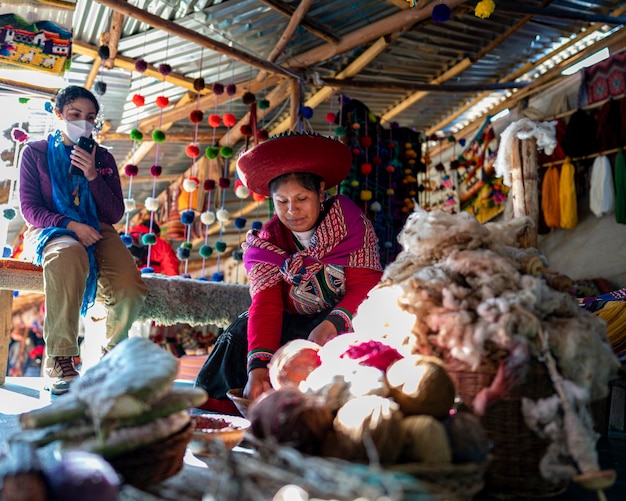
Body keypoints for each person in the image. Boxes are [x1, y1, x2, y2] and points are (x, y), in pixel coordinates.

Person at [195, 131, 383, 413]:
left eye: (301, 198)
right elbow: (267, 305)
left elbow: (365, 287)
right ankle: (228, 411)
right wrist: (258, 368)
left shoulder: (351, 226)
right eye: (281, 202)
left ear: (321, 192)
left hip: (343, 319)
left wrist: (332, 323)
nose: (292, 210)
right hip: (290, 323)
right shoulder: (266, 244)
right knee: (239, 331)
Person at [18, 85, 147, 394]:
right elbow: (30, 209)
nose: (83, 123)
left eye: (90, 118)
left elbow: (114, 212)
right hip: (51, 226)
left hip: (98, 227)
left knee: (129, 284)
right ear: (59, 113)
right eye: (75, 115)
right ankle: (59, 359)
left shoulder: (101, 158)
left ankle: (111, 356)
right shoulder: (35, 152)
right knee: (67, 254)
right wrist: (70, 225)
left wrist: (92, 175)